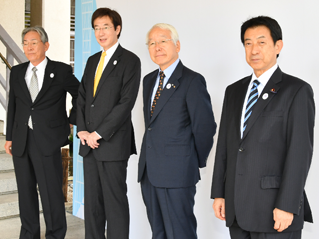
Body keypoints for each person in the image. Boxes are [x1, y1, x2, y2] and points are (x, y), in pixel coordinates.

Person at [211, 16, 314, 239]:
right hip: (237, 207)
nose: (254, 50)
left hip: (275, 210)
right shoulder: (234, 91)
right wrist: (220, 193)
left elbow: (300, 153)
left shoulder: (296, 90)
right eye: (248, 43)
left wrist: (287, 205)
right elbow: (224, 146)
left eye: (261, 42)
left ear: (278, 46)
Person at [138, 23, 216, 239]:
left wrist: (191, 161)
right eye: (152, 43)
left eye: (163, 41)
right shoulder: (148, 80)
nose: (157, 47)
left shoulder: (192, 81)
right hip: (149, 172)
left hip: (177, 173)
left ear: (177, 45)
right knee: (159, 232)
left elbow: (205, 127)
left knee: (180, 233)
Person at [5, 26, 79, 239]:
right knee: (25, 194)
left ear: (45, 45)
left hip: (48, 140)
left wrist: (71, 122)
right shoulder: (17, 72)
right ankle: (29, 234)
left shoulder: (62, 70)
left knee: (51, 194)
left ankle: (55, 235)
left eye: (33, 42)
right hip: (21, 140)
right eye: (25, 43)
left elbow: (79, 96)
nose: (29, 47)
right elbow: (14, 106)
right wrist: (9, 136)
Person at [77, 8, 141, 239]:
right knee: (92, 205)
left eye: (105, 27)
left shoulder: (130, 60)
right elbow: (82, 97)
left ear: (117, 29)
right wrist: (83, 130)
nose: (100, 32)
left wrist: (99, 133)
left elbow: (126, 103)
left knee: (114, 204)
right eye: (96, 28)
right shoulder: (93, 60)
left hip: (112, 144)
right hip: (88, 145)